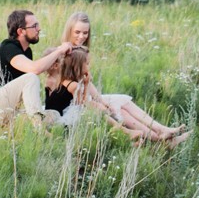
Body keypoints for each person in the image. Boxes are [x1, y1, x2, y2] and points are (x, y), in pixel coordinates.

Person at [49, 11, 190, 144]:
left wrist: (101, 99)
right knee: (119, 109)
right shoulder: (63, 52)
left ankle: (161, 131)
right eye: (77, 32)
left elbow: (85, 83)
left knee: (123, 101)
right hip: (71, 104)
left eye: (85, 33)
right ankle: (159, 139)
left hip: (83, 97)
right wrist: (98, 102)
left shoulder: (81, 51)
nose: (81, 37)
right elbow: (67, 87)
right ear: (69, 31)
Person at [0, 8, 71, 129]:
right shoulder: (8, 47)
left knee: (53, 114)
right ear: (20, 31)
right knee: (31, 77)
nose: (39, 29)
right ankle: (39, 129)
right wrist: (59, 50)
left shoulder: (26, 52)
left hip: (5, 110)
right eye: (34, 26)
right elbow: (35, 69)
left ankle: (55, 131)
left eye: (37, 25)